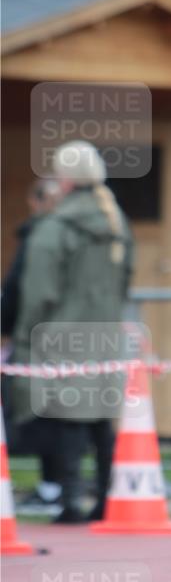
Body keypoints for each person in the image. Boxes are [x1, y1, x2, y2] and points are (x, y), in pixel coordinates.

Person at [11, 141, 134, 523]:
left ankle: (70, 502)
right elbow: (125, 281)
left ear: (64, 179)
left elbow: (38, 293)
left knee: (68, 418)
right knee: (100, 420)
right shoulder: (116, 222)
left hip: (61, 335)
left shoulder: (55, 227)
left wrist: (24, 336)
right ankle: (106, 502)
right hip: (105, 335)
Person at [2, 179, 64, 505]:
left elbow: (18, 290)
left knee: (38, 411)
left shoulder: (39, 236)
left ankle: (53, 487)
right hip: (63, 336)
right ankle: (56, 487)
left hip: (38, 337)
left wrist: (11, 328)